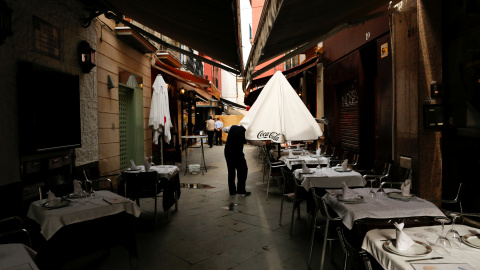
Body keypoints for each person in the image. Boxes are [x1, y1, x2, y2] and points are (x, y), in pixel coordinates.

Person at [223, 125, 250, 196]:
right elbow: (251, 141)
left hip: (228, 151)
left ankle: (232, 191)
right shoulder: (245, 131)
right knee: (243, 170)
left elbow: (224, 129)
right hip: (237, 152)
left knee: (231, 171)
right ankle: (241, 190)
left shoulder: (233, 127)